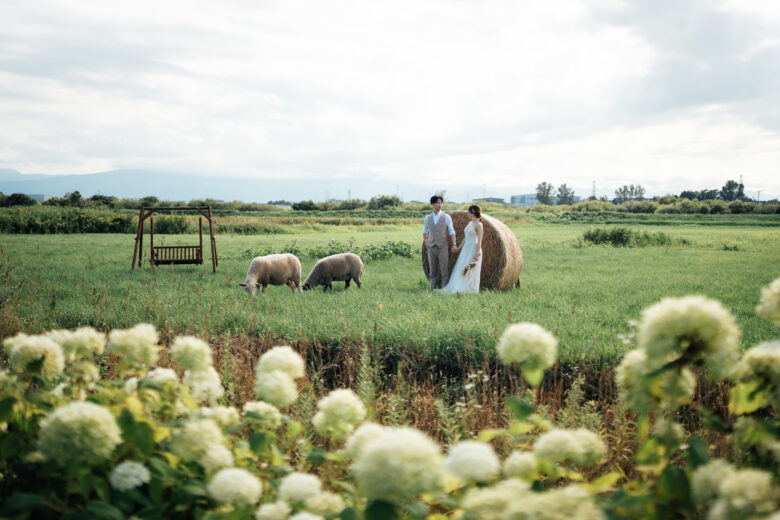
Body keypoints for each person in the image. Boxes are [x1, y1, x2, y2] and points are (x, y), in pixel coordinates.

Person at [440, 204, 483, 294]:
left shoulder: (479, 225)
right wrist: (459, 248)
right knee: (461, 268)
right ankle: (459, 286)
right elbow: (465, 237)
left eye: (469, 212)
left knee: (469, 270)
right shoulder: (470, 223)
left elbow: (480, 240)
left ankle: (466, 288)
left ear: (473, 212)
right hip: (466, 249)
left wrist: (477, 252)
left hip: (473, 249)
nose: (468, 214)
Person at [423, 195, 457, 290]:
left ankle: (444, 290)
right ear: (433, 204)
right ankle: (432, 289)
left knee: (444, 271)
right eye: (438, 203)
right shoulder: (427, 218)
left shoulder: (447, 217)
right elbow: (424, 232)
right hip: (431, 247)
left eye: (441, 203)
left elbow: (452, 231)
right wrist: (427, 243)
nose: (440, 205)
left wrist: (454, 244)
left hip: (443, 247)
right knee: (432, 271)